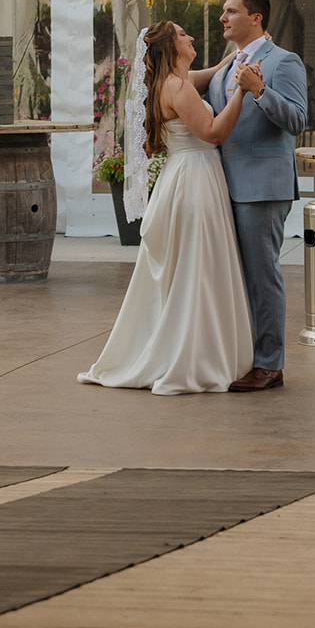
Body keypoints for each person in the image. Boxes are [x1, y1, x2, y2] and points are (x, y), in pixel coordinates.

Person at [78, 20, 254, 395]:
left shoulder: (169, 84)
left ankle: (184, 347)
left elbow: (205, 77)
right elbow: (213, 133)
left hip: (182, 177)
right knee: (198, 268)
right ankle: (192, 358)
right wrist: (241, 90)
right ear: (172, 48)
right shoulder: (178, 88)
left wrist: (233, 60)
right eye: (184, 35)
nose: (191, 37)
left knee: (190, 269)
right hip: (196, 179)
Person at [202, 0, 307, 391]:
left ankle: (269, 365)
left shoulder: (284, 62)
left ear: (256, 18)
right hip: (222, 185)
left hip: (263, 187)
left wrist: (261, 91)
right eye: (224, 11)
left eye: (231, 11)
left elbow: (297, 120)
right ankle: (242, 355)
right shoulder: (228, 65)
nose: (223, 18)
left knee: (262, 277)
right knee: (233, 277)